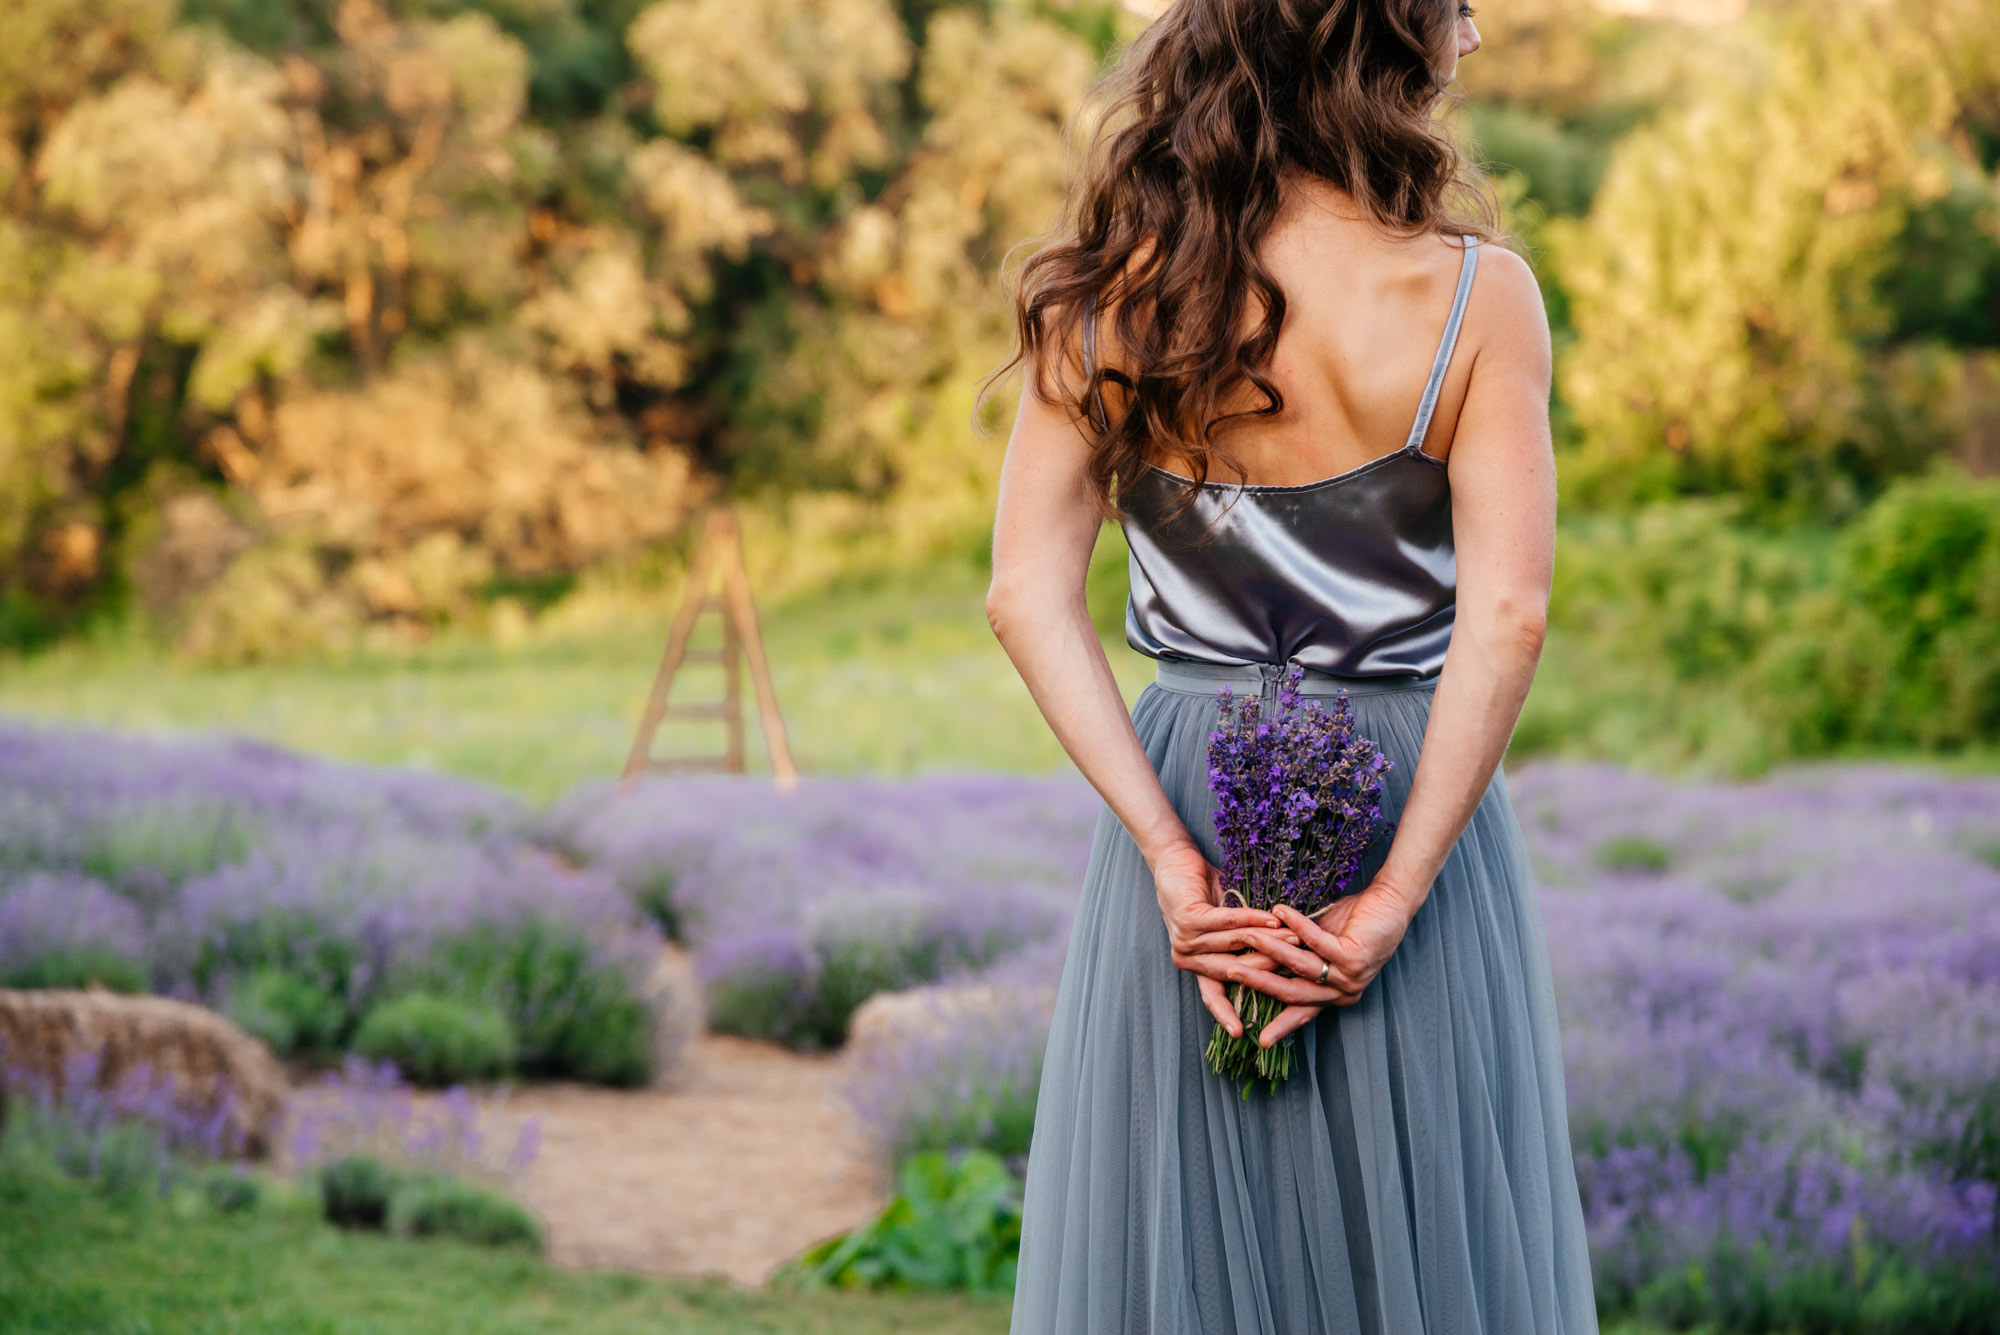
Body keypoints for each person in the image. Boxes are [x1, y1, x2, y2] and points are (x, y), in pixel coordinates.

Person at [982, 0, 1599, 1331]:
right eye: (1456, 7)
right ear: (1373, 37)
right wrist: (1394, 896)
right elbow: (1509, 620)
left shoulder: (1108, 292)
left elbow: (1025, 598)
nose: (1475, 37)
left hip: (1192, 793)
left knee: (1177, 1241)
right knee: (1421, 1248)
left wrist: (1168, 856)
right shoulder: (1478, 295)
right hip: (1409, 800)